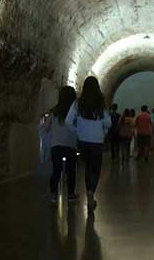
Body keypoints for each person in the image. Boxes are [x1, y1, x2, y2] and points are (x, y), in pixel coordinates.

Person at [65, 76, 111, 210]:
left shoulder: (78, 103)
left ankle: (89, 191)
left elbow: (68, 122)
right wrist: (103, 131)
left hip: (82, 141)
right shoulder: (101, 104)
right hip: (97, 141)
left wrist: (77, 131)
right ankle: (91, 193)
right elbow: (108, 123)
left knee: (88, 168)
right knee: (95, 169)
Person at [43, 86, 78, 203]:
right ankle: (71, 195)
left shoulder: (54, 111)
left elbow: (46, 127)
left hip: (56, 145)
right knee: (71, 170)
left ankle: (53, 194)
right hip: (70, 145)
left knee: (56, 170)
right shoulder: (75, 112)